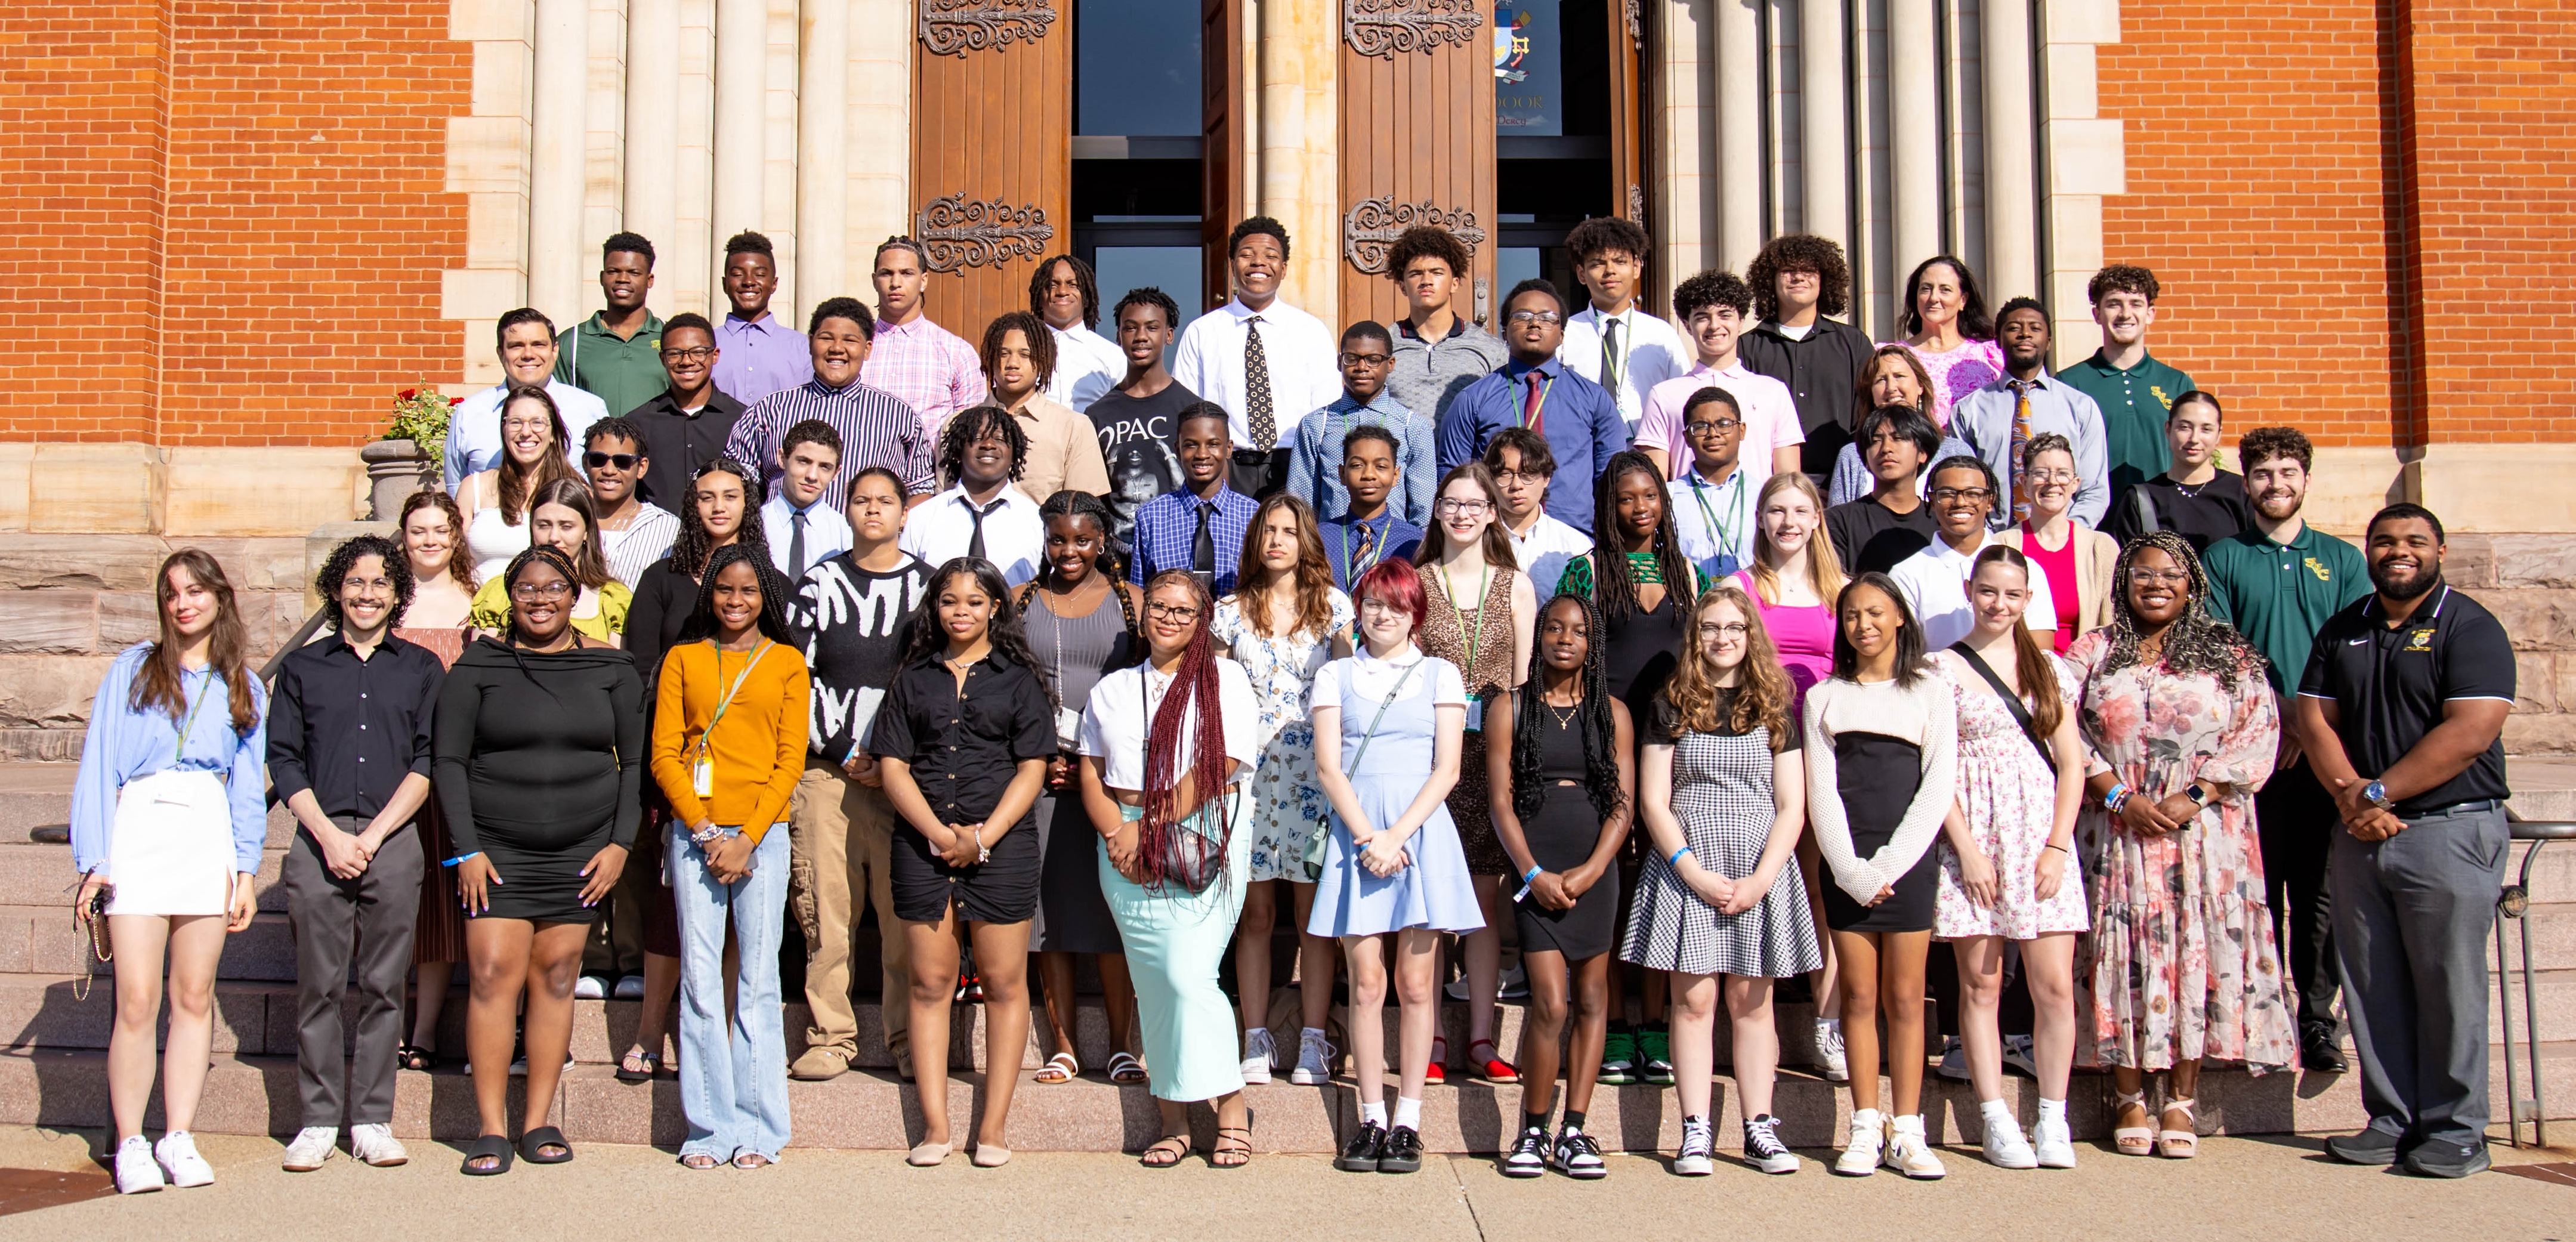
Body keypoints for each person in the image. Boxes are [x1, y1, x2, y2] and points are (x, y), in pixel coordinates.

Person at [2296, 503, 2516, 1179]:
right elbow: (2312, 716)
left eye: (2414, 541)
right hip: (2363, 833)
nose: (2399, 551)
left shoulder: (2470, 627)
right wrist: (2350, 795)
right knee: (2372, 986)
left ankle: (2456, 1129)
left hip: (2447, 830)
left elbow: (2470, 732)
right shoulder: (2346, 628)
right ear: (2368, 552)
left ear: (2439, 550)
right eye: (2384, 541)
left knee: (2448, 986)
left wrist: (2377, 793)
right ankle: (2390, 1120)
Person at [2067, 532, 2292, 1158]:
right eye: (2142, 573)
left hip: (2203, 836)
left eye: (2170, 573)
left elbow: (2258, 732)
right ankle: (2129, 1092)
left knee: (2197, 950)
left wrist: (2193, 796)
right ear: (2123, 582)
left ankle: (2181, 1098)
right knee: (2122, 956)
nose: (2156, 584)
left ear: (2191, 583)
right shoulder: (2095, 651)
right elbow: (2055, 721)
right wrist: (2116, 795)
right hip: (2119, 832)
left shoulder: (2228, 653)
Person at [435, 545, 645, 1175]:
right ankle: (491, 1127)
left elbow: (634, 765)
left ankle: (539, 1120)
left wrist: (619, 845)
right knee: (495, 975)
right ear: (511, 596)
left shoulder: (613, 671)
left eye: (554, 588)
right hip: (495, 852)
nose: (541, 600)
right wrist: (465, 849)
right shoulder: (478, 668)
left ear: (575, 595)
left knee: (556, 979)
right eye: (527, 589)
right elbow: (447, 762)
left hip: (581, 853)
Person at [70, 550, 267, 1194]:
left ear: (220, 599)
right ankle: (131, 1143)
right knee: (136, 999)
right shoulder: (133, 668)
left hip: (205, 828)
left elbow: (244, 786)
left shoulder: (244, 682)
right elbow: (99, 764)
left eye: (196, 592)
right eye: (173, 593)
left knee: (192, 996)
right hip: (142, 825)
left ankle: (178, 1135)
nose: (184, 604)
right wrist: (94, 863)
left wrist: (245, 870)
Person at [1623, 586, 1818, 1176]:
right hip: (1690, 862)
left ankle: (1758, 1126)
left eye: (1734, 627)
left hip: (1760, 863)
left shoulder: (1773, 705)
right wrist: (1693, 872)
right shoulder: (1670, 704)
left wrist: (1761, 878)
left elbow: (1791, 806)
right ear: (1696, 635)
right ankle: (1695, 1130)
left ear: (1750, 633)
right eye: (1711, 627)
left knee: (1751, 1002)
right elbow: (1654, 802)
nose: (1723, 638)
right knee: (1694, 1000)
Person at [870, 558, 1055, 1166]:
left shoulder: (1019, 678)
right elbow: (892, 765)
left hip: (1001, 847)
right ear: (935, 608)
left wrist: (983, 837)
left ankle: (993, 1128)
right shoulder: (912, 678)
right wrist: (936, 833)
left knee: (1004, 983)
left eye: (975, 602)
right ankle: (934, 1128)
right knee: (928, 983)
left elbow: (1032, 766)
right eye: (950, 601)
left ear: (995, 608)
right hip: (922, 846)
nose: (961, 611)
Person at [1079, 570, 1264, 1167]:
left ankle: (1231, 1106)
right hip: (1122, 843)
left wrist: (1148, 827)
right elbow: (1091, 768)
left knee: (1188, 975)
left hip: (1201, 833)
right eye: (1158, 607)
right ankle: (1173, 1119)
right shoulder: (1111, 688)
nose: (1169, 618)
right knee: (1155, 984)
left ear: (1201, 619)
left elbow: (1223, 760)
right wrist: (1116, 830)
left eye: (1184, 612)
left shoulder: (1224, 679)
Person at [270, 536, 443, 1173]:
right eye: (355, 583)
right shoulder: (302, 670)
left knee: (382, 986)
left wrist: (370, 839)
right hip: (320, 839)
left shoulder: (421, 668)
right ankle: (318, 1120)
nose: (366, 594)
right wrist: (330, 835)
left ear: (397, 593)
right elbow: (284, 762)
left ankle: (371, 1117)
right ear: (335, 590)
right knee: (318, 986)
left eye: (379, 584)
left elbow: (428, 760)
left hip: (393, 839)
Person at [2203, 426, 2370, 1071]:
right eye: (2263, 474)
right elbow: (2224, 648)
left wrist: (2310, 726)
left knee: (2319, 892)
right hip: (2257, 754)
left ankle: (2317, 1019)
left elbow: (2355, 654)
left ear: (2305, 479)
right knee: (2259, 889)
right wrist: (2280, 721)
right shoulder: (2223, 558)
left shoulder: (2342, 560)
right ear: (2246, 483)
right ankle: (2256, 1011)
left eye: (2287, 473)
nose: (2276, 484)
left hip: (2324, 755)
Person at [1309, 560, 1483, 1175]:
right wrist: (1368, 840)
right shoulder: (1334, 675)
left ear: (1416, 613)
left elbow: (1448, 769)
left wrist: (1396, 835)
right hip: (1357, 837)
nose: (1382, 615)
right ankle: (1370, 1116)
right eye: (1373, 603)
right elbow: (1329, 767)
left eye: (1395, 605)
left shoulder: (1441, 673)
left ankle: (1408, 1118)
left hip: (1420, 834)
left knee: (1415, 985)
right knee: (1364, 983)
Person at [648, 545, 809, 1170]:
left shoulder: (787, 663)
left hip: (761, 835)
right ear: (708, 594)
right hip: (698, 834)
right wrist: (707, 830)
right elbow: (665, 753)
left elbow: (789, 759)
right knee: (700, 980)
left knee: (758, 982)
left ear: (764, 595)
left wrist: (745, 837)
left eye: (747, 590)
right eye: (724, 590)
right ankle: (710, 1126)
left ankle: (762, 1127)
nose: (735, 601)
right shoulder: (683, 660)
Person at [1929, 547, 2088, 1170]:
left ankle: (2053, 1115)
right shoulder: (1939, 669)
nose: (1999, 604)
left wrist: (2056, 845)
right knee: (1981, 982)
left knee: (2052, 986)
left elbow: (2072, 762)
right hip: (1975, 840)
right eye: (1989, 591)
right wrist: (1965, 850)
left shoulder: (2049, 669)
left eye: (2012, 594)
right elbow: (1935, 771)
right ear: (1971, 590)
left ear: (2028, 600)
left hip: (2040, 837)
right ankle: (1994, 1116)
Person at [1556, 449, 1710, 1084]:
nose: (1638, 507)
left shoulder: (1689, 575)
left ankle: (1656, 1023)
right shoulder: (1586, 571)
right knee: (1614, 888)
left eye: (1649, 496)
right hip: (1607, 744)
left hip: (1672, 748)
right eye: (1626, 497)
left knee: (1663, 886)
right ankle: (1615, 1025)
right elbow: (1568, 658)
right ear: (1608, 505)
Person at [1805, 572, 1957, 1179]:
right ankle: (1865, 1125)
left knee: (1906, 1000)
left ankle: (1909, 1130)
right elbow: (1822, 792)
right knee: (1859, 999)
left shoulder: (1929, 690)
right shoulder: (1824, 698)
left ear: (1899, 618)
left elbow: (1936, 787)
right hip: (1848, 867)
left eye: (1874, 613)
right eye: (1850, 616)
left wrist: (1891, 866)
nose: (1862, 625)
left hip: (1909, 864)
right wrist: (1849, 870)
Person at [616, 458, 770, 1054]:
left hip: (748, 771)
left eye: (730, 496)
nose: (718, 508)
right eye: (706, 497)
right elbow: (638, 669)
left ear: (746, 505)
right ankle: (653, 1032)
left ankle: (723, 1039)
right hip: (678, 764)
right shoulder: (662, 578)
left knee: (736, 905)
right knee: (670, 900)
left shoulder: (766, 579)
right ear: (692, 505)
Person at [785, 466, 929, 1082]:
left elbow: (933, 678)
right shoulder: (818, 583)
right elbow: (798, 676)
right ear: (845, 511)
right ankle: (830, 1036)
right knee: (827, 909)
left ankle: (906, 1038)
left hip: (904, 779)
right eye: (862, 500)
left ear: (904, 513)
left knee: (903, 919)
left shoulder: (928, 588)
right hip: (829, 774)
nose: (873, 510)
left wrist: (891, 756)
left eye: (885, 501)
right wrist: (844, 748)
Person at [1210, 494, 1354, 1087]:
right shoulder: (1228, 612)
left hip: (1314, 778)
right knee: (1255, 914)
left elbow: (1353, 687)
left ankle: (1314, 1039)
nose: (1276, 540)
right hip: (1248, 776)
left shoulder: (1334, 610)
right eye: (1267, 530)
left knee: (1312, 915)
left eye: (1288, 531)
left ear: (1306, 541)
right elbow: (1210, 697)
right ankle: (1254, 1037)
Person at [1490, 595, 1635, 1179]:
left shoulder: (1613, 713)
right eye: (1554, 628)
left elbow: (1621, 804)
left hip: (1593, 868)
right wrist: (1531, 873)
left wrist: (1593, 869)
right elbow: (1500, 801)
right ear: (1540, 635)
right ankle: (1533, 1128)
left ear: (1591, 641)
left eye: (1577, 630)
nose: (1564, 638)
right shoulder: (1510, 707)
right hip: (1535, 867)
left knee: (1594, 998)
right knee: (1550, 1003)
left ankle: (1575, 1130)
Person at [1415, 462, 1539, 1084]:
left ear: (1493, 513)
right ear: (1436, 511)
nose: (1462, 513)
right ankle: (1432, 1035)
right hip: (1429, 757)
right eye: (1450, 503)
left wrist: (1515, 763)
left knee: (1486, 900)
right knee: (1436, 901)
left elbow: (1523, 682)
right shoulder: (1415, 582)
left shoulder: (1514, 585)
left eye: (1474, 504)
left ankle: (1482, 1039)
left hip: (1490, 755)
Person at [1018, 492, 1147, 1088]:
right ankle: (1064, 1045)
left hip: (1112, 778)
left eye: (1082, 540)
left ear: (1102, 541)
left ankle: (1122, 1046)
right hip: (1040, 778)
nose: (1068, 551)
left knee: (1111, 914)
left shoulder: (1133, 603)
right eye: (1057, 540)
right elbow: (1012, 692)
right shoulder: (1022, 603)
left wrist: (1096, 765)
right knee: (1050, 917)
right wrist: (1037, 759)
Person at [1740, 470, 1849, 1078]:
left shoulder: (1841, 591)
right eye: (1775, 510)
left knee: (1822, 886)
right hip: (1759, 751)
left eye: (1797, 511)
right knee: (1770, 874)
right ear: (1761, 520)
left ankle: (1828, 1020)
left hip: (1825, 751)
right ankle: (1754, 1006)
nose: (1786, 522)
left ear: (1815, 519)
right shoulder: (1741, 587)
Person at [1436, 279, 1631, 536]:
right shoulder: (1473, 399)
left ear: (1562, 334)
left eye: (1548, 318)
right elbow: (1453, 475)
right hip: (1495, 539)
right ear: (1504, 332)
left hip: (1575, 539)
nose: (1535, 323)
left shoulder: (1594, 399)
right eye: (1523, 316)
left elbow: (1611, 476)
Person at [391, 493, 475, 1074]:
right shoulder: (385, 603)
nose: (428, 541)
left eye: (439, 531)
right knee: (396, 901)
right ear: (403, 537)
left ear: (455, 537)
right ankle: (386, 1024)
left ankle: (421, 1034)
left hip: (449, 772)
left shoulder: (474, 605)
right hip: (392, 771)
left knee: (440, 906)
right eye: (418, 531)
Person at [1170, 216, 1339, 496]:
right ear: (1232, 265)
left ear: (1283, 269)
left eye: (1270, 256)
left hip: (1295, 465)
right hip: (1226, 467)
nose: (1258, 263)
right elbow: (1187, 410)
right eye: (1247, 255)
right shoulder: (1202, 332)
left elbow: (1327, 411)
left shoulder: (1311, 331)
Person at [723, 296, 938, 505]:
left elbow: (921, 489)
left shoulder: (897, 416)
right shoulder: (770, 409)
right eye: (826, 338)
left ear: (867, 349)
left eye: (850, 340)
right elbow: (734, 480)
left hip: (863, 540)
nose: (837, 348)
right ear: (810, 343)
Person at [1950, 299, 2109, 529]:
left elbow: (2094, 490)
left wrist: (2065, 537)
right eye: (2014, 328)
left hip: (2061, 541)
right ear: (1999, 340)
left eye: (2035, 328)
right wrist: (1984, 539)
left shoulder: (2080, 407)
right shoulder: (1968, 410)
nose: (2025, 334)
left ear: (2048, 342)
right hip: (1991, 542)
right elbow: (1959, 484)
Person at [1633, 270, 1802, 481]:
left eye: (1725, 315)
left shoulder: (1773, 391)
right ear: (1687, 325)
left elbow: (1788, 479)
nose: (1714, 326)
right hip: (1689, 511)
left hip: (1757, 512)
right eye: (1702, 317)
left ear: (1740, 321)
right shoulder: (1664, 394)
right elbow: (1654, 479)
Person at [1885, 454, 2059, 650]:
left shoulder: (2026, 570)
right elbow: (1904, 659)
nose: (1960, 502)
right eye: (1947, 493)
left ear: (1990, 500)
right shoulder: (1906, 575)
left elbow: (2041, 657)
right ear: (1932, 501)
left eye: (1973, 493)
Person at [2058, 264, 2196, 505]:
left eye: (2135, 303)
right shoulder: (2068, 384)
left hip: (2163, 517)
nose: (2125, 314)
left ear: (2150, 314)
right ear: (2097, 314)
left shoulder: (2177, 383)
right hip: (2092, 521)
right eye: (2114, 304)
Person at [1739, 234, 1876, 475]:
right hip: (1767, 481)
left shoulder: (1853, 343)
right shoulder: (1746, 348)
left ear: (1824, 279)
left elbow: (1869, 414)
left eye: (1809, 270)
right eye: (1788, 270)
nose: (1799, 277)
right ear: (1770, 280)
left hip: (1841, 481)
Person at [1284, 320, 1437, 528]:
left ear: (1390, 364)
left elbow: (1424, 510)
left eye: (1373, 360)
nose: (1362, 367)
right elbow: (1300, 504)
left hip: (1394, 550)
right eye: (1352, 359)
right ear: (1340, 363)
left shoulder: (1413, 426)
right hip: (1331, 548)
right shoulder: (1316, 425)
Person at [443, 308, 609, 490]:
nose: (528, 355)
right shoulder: (469, 413)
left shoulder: (590, 409)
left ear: (554, 350)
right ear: (500, 353)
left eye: (538, 345)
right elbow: (456, 491)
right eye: (516, 346)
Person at [1993, 432, 2122, 652]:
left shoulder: (2101, 548)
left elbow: (2113, 629)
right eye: (2041, 473)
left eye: (2062, 474)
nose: (2052, 482)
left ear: (2075, 484)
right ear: (2024, 483)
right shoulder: (2001, 545)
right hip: (2019, 673)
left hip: (2084, 675)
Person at [1086, 287, 1196, 543]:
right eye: (1131, 327)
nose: (1141, 336)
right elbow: (1092, 496)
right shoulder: (1096, 415)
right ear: (1118, 336)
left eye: (1152, 327)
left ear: (1169, 335)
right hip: (1117, 554)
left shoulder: (1192, 410)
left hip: (1177, 548)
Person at [1556, 216, 1684, 434]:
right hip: (1584, 454)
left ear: (1636, 268)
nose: (1610, 271)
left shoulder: (1662, 335)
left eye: (1620, 261)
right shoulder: (1565, 334)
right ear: (1581, 274)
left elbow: (1681, 399)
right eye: (1598, 264)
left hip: (1646, 453)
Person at [466, 478, 634, 644]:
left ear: (586, 531)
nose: (554, 537)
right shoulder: (501, 591)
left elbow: (617, 668)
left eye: (566, 527)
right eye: (544, 525)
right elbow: (480, 665)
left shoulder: (612, 599)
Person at [900, 404, 1046, 586]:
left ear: (1014, 452)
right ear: (958, 452)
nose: (988, 445)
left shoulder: (1039, 521)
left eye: (1000, 439)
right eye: (977, 438)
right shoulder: (921, 519)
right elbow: (906, 587)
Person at [980, 309, 1111, 504]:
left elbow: (1083, 512)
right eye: (1003, 354)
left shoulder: (1073, 428)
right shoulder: (961, 426)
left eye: (1025, 355)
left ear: (1042, 360)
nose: (1013, 363)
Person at [862, 236, 988, 440]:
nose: (896, 283)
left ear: (923, 281)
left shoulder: (956, 353)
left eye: (906, 273)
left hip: (927, 470)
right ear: (875, 281)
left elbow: (971, 435)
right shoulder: (854, 350)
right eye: (887, 274)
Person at [1383, 225, 1508, 425]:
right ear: (1402, 286)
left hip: (1467, 456)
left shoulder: (1490, 349)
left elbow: (1504, 414)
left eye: (1437, 272)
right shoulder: (1384, 345)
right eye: (1416, 273)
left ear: (1455, 283)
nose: (1426, 281)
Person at [1129, 404, 1258, 594]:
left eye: (1213, 444)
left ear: (1229, 449)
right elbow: (1139, 592)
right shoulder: (1151, 516)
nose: (1202, 454)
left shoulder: (1253, 515)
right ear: (1178, 450)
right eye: (1191, 445)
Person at [2105, 390, 2251, 554]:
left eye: (2206, 429)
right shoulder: (2141, 499)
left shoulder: (2242, 492)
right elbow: (2126, 569)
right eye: (2185, 427)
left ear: (2218, 435)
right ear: (2168, 429)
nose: (2195, 438)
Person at [459, 384, 580, 583]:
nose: (526, 432)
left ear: (553, 433)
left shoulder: (576, 492)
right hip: (478, 607)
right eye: (516, 422)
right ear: (504, 430)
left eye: (537, 422)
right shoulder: (474, 488)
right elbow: (455, 560)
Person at [631, 311, 750, 509]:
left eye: (698, 352)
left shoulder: (742, 420)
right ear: (662, 359)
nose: (687, 361)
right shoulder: (638, 424)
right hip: (660, 538)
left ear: (715, 356)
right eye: (675, 353)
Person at [1827, 345, 1973, 506]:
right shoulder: (1852, 456)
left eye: (1899, 376)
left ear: (1920, 386)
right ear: (1871, 393)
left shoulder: (1955, 452)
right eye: (1881, 380)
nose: (1891, 388)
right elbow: (1836, 522)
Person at [554, 232, 669, 419]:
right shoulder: (571, 343)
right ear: (602, 277)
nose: (622, 279)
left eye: (634, 273)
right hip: (594, 448)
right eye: (614, 271)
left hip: (658, 448)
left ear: (650, 280)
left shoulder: (670, 337)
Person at [1824, 404, 1945, 575]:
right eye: (1875, 441)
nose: (1886, 449)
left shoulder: (1941, 521)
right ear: (1865, 457)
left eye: (1898, 438)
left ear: (1923, 452)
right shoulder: (1838, 521)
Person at [1664, 388, 1765, 579]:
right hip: (1690, 604)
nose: (1713, 434)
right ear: (1687, 438)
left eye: (1724, 424)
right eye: (1701, 427)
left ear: (1742, 430)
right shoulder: (1669, 497)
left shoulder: (1763, 496)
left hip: (1752, 604)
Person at [1894, 255, 2006, 428]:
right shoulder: (1894, 356)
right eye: (1926, 289)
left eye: (1945, 289)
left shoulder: (1990, 355)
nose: (1933, 298)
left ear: (1963, 300)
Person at [1484, 429, 1592, 597]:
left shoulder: (1574, 545)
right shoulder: (1477, 541)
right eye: (1505, 474)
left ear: (1547, 477)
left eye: (1528, 474)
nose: (1517, 485)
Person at [711, 231, 814, 406]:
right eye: (738, 274)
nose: (749, 282)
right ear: (724, 284)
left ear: (774, 284)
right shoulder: (706, 346)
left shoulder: (802, 348)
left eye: (759, 275)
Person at [1318, 424, 1423, 591]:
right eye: (1357, 465)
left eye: (1381, 467)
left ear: (1396, 475)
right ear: (1342, 474)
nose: (1369, 475)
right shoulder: (1318, 538)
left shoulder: (1415, 543)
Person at [583, 416, 680, 585]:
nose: (609, 470)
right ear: (586, 463)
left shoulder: (669, 529)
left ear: (641, 468)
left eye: (623, 461)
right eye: (598, 459)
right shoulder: (566, 519)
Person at [760, 419, 855, 582]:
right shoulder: (755, 524)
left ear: (836, 472)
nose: (812, 476)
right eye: (803, 461)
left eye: (825, 467)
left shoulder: (846, 535)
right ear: (782, 459)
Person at [1030, 254, 1125, 410]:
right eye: (1053, 285)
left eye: (1072, 284)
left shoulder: (1113, 356)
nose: (1062, 291)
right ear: (1040, 297)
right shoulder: (1022, 351)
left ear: (1086, 296)